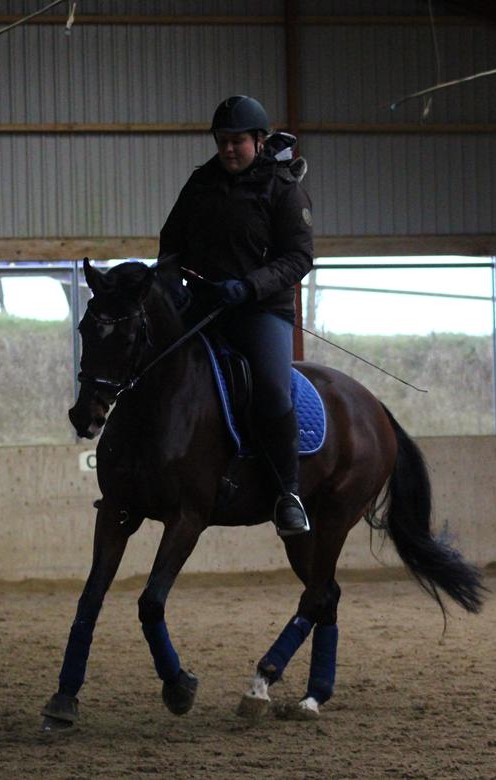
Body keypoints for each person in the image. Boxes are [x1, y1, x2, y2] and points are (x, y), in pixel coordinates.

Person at [157, 95, 314, 537]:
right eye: (222, 141)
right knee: (152, 364)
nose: (228, 149)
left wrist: (249, 286)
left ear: (259, 141)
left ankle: (288, 494)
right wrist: (171, 282)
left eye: (237, 142)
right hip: (203, 305)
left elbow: (299, 256)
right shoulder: (200, 184)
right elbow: (171, 242)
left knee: (269, 387)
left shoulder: (283, 189)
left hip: (261, 310)